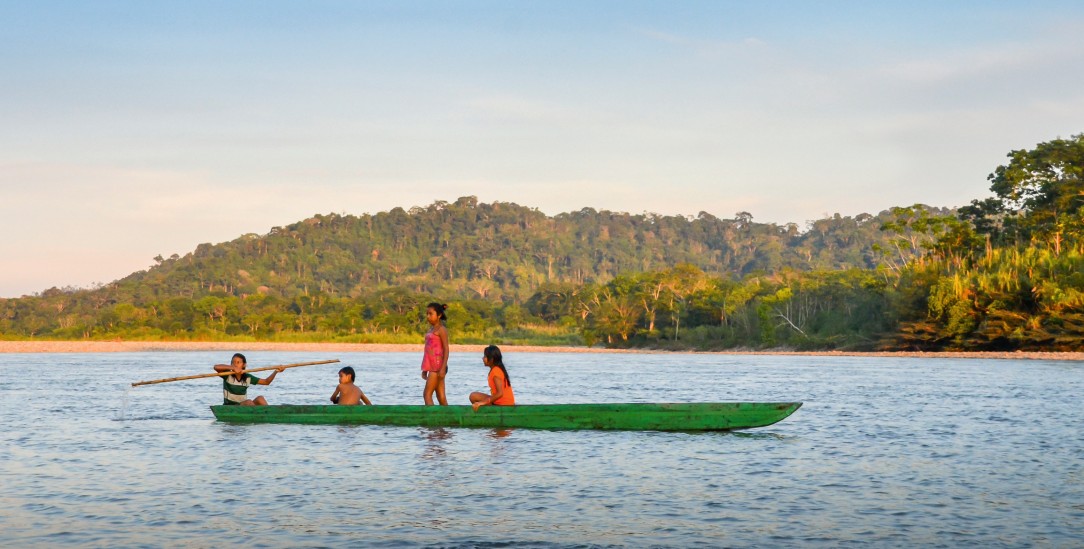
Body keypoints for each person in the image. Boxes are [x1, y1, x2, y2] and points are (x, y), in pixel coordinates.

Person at [213, 353, 283, 406]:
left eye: (238, 362)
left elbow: (266, 382)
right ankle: (257, 415)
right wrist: (232, 368)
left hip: (243, 405)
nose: (235, 364)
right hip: (230, 406)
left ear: (244, 365)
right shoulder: (227, 375)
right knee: (249, 402)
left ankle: (269, 413)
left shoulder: (247, 377)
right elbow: (216, 367)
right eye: (233, 362)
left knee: (260, 398)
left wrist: (276, 371)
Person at [421, 302, 450, 406]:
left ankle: (432, 419)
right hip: (432, 366)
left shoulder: (442, 330)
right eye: (427, 314)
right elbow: (428, 351)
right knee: (441, 396)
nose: (428, 316)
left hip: (437, 367)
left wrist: (443, 368)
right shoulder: (431, 330)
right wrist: (425, 369)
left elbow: (446, 349)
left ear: (439, 315)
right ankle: (449, 418)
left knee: (427, 394)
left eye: (431, 314)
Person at [470, 345, 515, 410]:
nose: (482, 358)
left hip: (504, 404)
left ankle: (487, 415)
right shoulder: (496, 369)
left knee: (473, 396)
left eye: (485, 356)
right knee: (473, 396)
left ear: (491, 359)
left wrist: (483, 402)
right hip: (502, 402)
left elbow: (500, 393)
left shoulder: (496, 371)